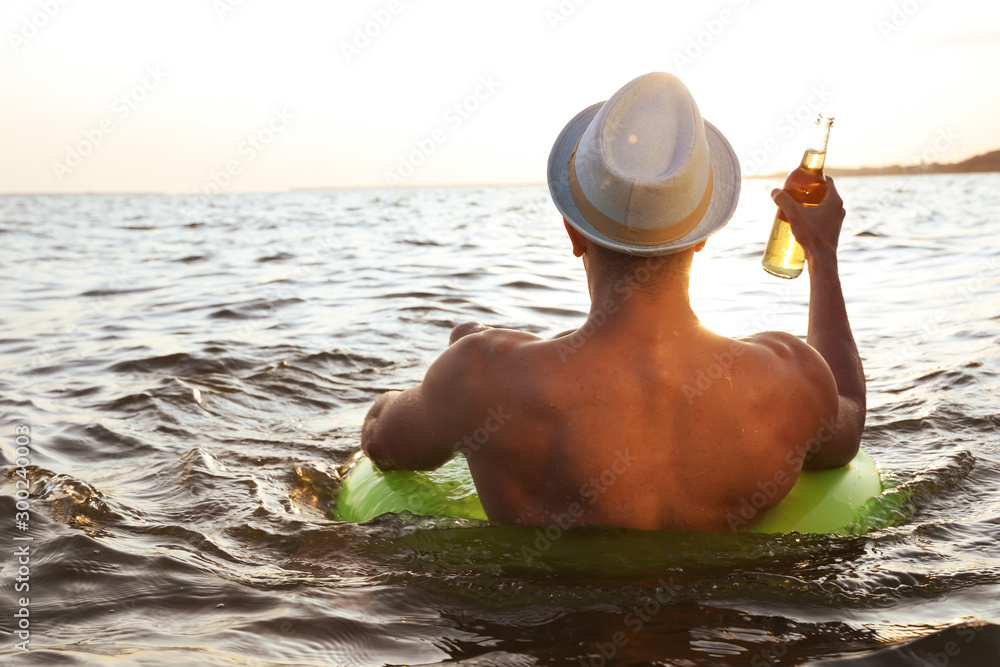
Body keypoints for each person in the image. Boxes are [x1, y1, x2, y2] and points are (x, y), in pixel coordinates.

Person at [360, 72, 865, 532]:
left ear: (572, 232)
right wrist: (822, 255)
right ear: (701, 238)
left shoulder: (478, 377)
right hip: (718, 628)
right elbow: (847, 421)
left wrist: (468, 366)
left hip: (531, 631)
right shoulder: (789, 379)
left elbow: (382, 440)